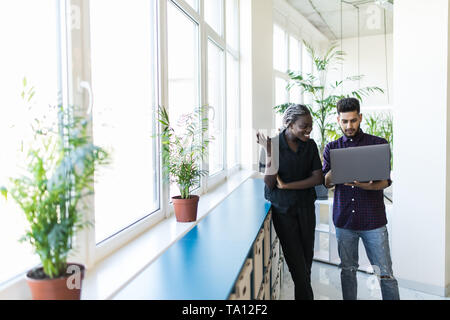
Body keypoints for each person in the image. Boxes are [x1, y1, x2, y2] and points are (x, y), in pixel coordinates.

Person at [322, 97, 400, 300]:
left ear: (360, 118)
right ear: (338, 120)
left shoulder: (378, 144)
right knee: (348, 270)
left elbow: (385, 182)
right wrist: (338, 167)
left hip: (373, 220)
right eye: (345, 121)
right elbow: (326, 182)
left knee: (385, 273)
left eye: (353, 120)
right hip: (344, 221)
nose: (349, 126)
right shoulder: (332, 148)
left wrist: (367, 186)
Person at [256, 104, 323, 300]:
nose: (308, 130)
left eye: (310, 125)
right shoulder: (272, 144)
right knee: (297, 265)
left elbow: (317, 178)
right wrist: (270, 152)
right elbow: (269, 184)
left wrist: (287, 186)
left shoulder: (310, 145)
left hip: (306, 209)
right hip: (283, 212)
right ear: (289, 124)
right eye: (304, 126)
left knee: (306, 262)